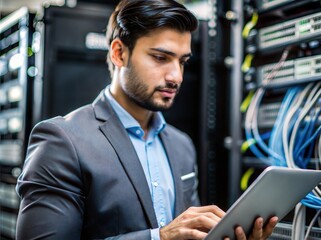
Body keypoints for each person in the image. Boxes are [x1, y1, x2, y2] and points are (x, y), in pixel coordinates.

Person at [15, 0, 278, 239]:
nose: (176, 76)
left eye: (182, 61)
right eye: (160, 58)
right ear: (119, 53)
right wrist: (159, 237)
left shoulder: (181, 145)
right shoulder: (62, 140)